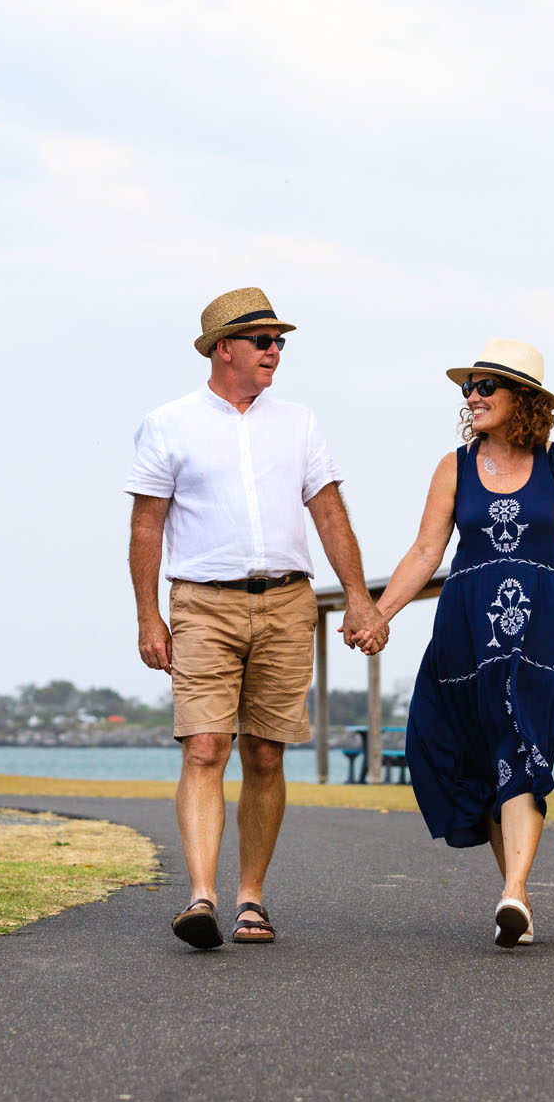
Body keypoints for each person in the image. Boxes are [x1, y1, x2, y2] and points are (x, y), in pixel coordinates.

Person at [126, 287, 386, 950]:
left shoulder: (298, 422)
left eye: (280, 342)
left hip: (287, 601)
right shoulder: (168, 423)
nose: (275, 351)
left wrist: (358, 595)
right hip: (202, 603)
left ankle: (251, 900)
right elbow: (146, 525)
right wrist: (148, 617)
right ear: (224, 349)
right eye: (263, 341)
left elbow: (328, 512)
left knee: (267, 753)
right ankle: (202, 897)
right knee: (206, 745)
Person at [355, 339, 554, 948]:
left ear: (520, 397)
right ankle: (514, 897)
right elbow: (426, 552)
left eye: (484, 386)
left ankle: (516, 893)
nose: (471, 397)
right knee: (483, 748)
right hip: (467, 629)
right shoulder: (454, 465)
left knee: (519, 738)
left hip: (543, 631)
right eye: (467, 388)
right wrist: (379, 614)